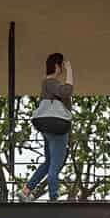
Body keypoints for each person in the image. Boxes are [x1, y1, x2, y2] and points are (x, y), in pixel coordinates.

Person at [22, 52, 75, 199]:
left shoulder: (47, 83)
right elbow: (67, 91)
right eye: (62, 66)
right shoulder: (50, 82)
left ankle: (26, 190)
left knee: (48, 163)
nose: (63, 69)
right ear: (58, 66)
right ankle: (54, 197)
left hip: (48, 128)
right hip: (58, 129)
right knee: (55, 166)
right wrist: (70, 70)